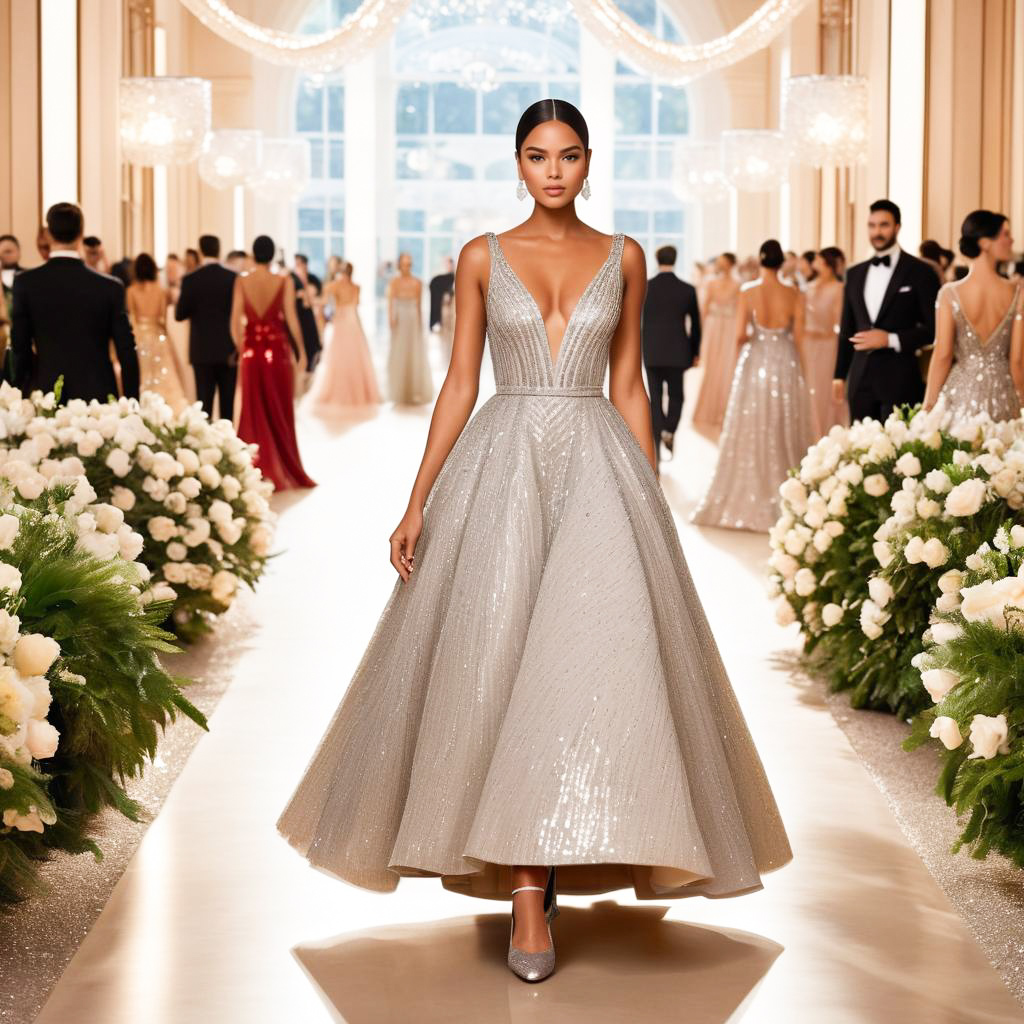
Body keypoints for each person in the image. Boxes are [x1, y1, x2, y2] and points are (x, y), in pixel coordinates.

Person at [276, 98, 791, 986]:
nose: (554, 170)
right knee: (499, 663)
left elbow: (629, 384)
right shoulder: (482, 255)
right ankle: (524, 888)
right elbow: (459, 385)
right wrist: (415, 501)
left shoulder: (624, 255)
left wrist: (646, 496)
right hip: (501, 467)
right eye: (537, 155)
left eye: (570, 155)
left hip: (600, 465)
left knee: (586, 670)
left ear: (590, 163)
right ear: (518, 164)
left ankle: (549, 863)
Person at [692, 239, 814, 532]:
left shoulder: (747, 292)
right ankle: (787, 495)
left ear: (760, 262)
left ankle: (749, 490)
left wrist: (739, 365)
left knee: (751, 424)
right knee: (782, 423)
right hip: (784, 361)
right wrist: (804, 373)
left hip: (755, 360)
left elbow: (738, 336)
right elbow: (799, 338)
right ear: (781, 263)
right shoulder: (794, 293)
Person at [10, 202, 139, 402]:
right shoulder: (110, 287)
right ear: (81, 234)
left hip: (47, 394)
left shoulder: (26, 283)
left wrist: (18, 396)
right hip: (99, 398)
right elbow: (126, 350)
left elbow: (20, 348)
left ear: (48, 234)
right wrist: (132, 402)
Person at [833, 199, 941, 422]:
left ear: (897, 227)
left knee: (900, 452)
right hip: (860, 378)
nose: (877, 232)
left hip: (901, 378)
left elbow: (934, 329)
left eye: (884, 225)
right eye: (872, 225)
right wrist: (839, 375)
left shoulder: (921, 272)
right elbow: (847, 329)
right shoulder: (854, 274)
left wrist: (890, 339)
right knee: (861, 451)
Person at [231, 234, 316, 492]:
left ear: (253, 254)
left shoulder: (242, 281)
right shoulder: (283, 280)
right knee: (279, 408)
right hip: (277, 351)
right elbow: (291, 317)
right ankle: (283, 464)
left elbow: (234, 320)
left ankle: (252, 465)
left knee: (252, 407)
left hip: (252, 353)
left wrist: (241, 347)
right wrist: (301, 350)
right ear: (272, 255)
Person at [923, 210, 1024, 421]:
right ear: (985, 242)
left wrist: (928, 405)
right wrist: (1021, 401)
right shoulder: (1017, 292)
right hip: (1003, 396)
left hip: (960, 397)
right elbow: (1017, 360)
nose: (1011, 239)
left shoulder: (949, 294)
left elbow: (943, 355)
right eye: (1005, 234)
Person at [641, 244, 700, 461]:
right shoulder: (687, 289)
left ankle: (657, 442)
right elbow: (695, 324)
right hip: (678, 351)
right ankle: (669, 430)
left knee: (654, 397)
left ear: (657, 260)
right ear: (675, 259)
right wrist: (696, 351)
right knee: (677, 395)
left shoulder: (645, 287)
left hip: (652, 350)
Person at [174, 235, 237, 420]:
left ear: (200, 251)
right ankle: (228, 444)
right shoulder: (232, 278)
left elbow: (180, 315)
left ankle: (206, 445)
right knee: (228, 406)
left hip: (201, 350)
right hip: (228, 350)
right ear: (219, 250)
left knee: (204, 406)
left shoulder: (191, 280)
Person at [307, 260, 381, 411]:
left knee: (339, 358)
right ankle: (358, 392)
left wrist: (310, 299)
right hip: (354, 322)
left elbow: (323, 302)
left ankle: (342, 391)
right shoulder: (356, 287)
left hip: (341, 322)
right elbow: (356, 303)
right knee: (356, 358)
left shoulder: (333, 286)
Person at [126, 252, 190, 412]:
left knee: (144, 378)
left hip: (139, 337)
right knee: (165, 379)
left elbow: (132, 318)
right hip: (158, 336)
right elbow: (162, 318)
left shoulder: (131, 291)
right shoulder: (161, 291)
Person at [691, 252, 740, 437]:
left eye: (723, 262)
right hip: (714, 327)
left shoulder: (738, 284)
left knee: (727, 367)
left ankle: (724, 409)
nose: (720, 265)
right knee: (712, 367)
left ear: (730, 264)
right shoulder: (711, 283)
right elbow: (703, 310)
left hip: (730, 326)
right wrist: (700, 334)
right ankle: (708, 409)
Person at [804, 247, 849, 437]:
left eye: (819, 260)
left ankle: (825, 432)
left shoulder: (839, 288)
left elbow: (840, 321)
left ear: (827, 264)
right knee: (808, 388)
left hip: (827, 344)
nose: (816, 264)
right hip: (806, 344)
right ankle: (808, 431)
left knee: (823, 388)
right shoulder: (808, 286)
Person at [387, 252, 433, 404]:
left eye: (409, 264)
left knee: (414, 352)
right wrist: (391, 319)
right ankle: (399, 389)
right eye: (404, 264)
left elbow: (419, 305)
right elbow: (390, 302)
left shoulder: (418, 282)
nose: (406, 267)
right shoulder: (394, 282)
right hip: (400, 318)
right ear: (399, 265)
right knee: (400, 351)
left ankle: (414, 389)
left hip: (413, 318)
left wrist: (421, 325)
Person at [291, 253, 322, 374]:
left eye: (300, 264)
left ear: (305, 265)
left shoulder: (313, 279)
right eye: (296, 264)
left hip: (309, 315)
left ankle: (311, 367)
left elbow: (317, 296)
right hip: (298, 315)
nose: (298, 266)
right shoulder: (291, 278)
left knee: (312, 342)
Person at [428, 257, 455, 331]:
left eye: (449, 264)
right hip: (443, 312)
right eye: (447, 264)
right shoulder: (437, 280)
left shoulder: (455, 277)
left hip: (452, 311)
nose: (448, 266)